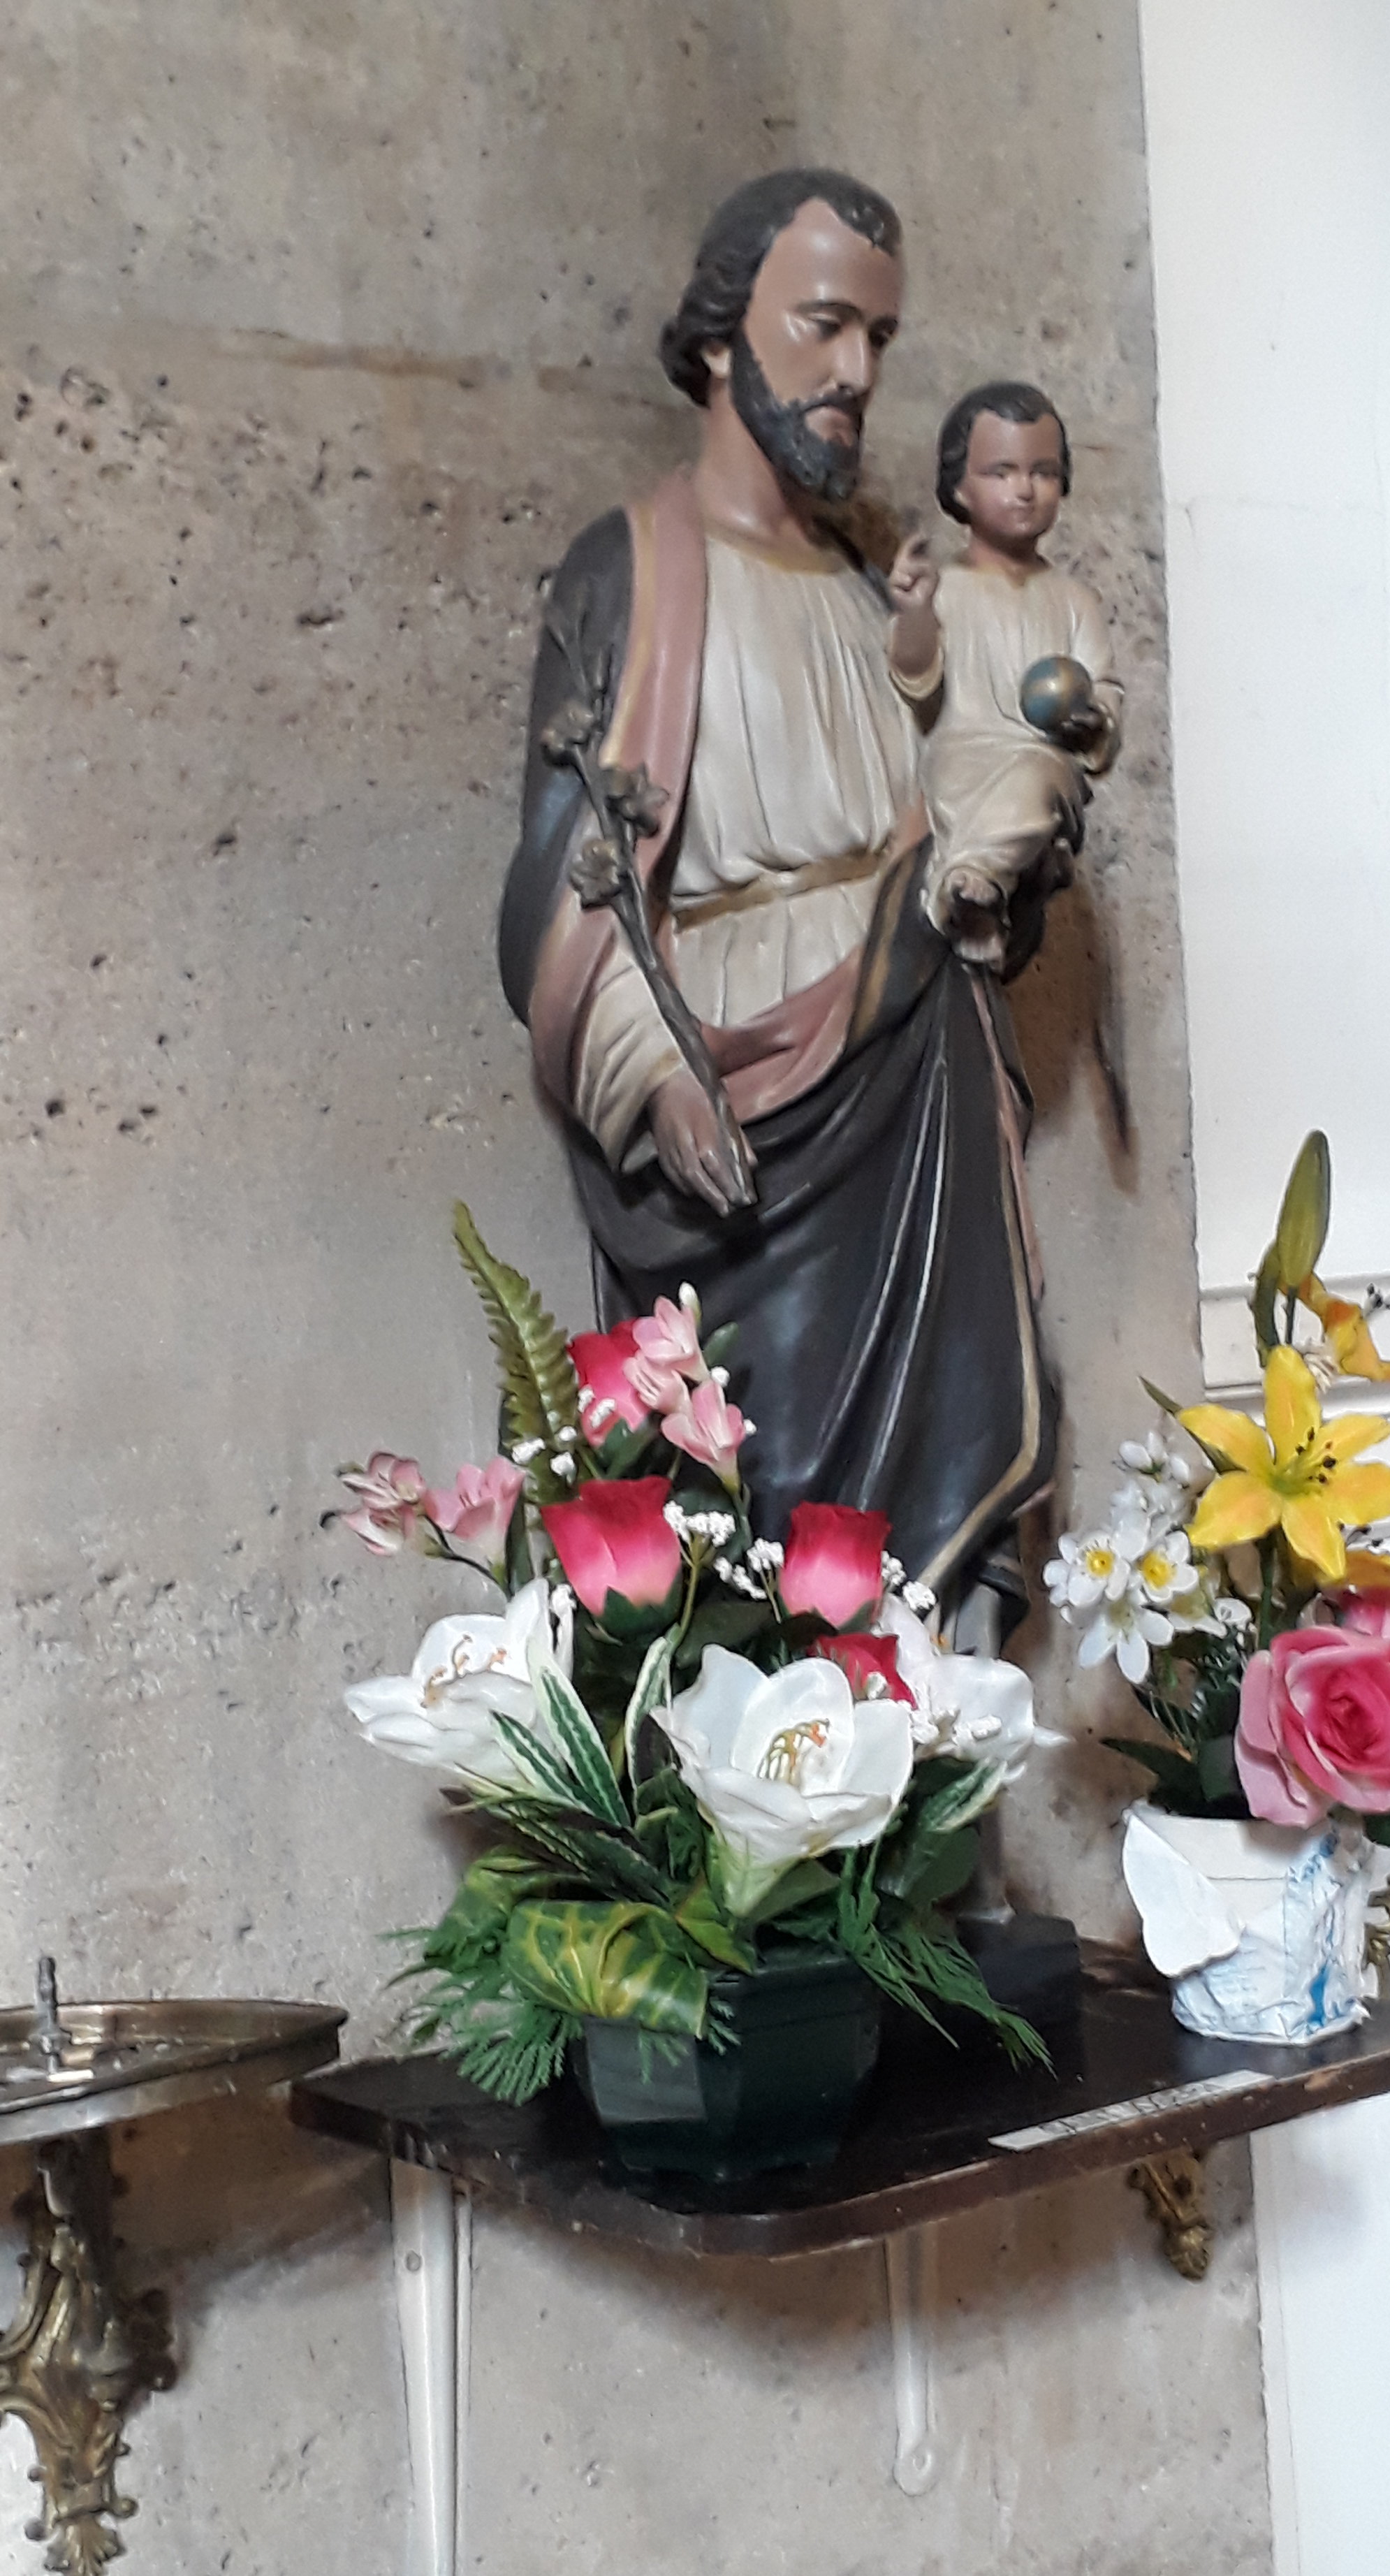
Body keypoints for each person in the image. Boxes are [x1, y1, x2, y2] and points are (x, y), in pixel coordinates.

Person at [497, 171, 1060, 1623]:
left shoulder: (880, 593)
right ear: (716, 338)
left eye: (878, 337)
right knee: (769, 1525)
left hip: (920, 1090)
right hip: (753, 1130)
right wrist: (653, 1072)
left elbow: (951, 821)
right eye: (822, 326)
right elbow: (568, 881)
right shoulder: (632, 571)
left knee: (930, 1553)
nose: (856, 372)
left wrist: (1011, 850)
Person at [921, 381, 1122, 963]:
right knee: (951, 776)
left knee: (1038, 774)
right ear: (958, 485)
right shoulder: (944, 590)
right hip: (960, 758)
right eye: (1002, 472)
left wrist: (1095, 721)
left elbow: (1105, 688)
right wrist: (910, 616)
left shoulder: (1074, 601)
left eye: (1044, 472)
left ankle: (972, 884)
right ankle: (969, 892)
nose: (1025, 489)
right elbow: (913, 679)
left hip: (1041, 765)